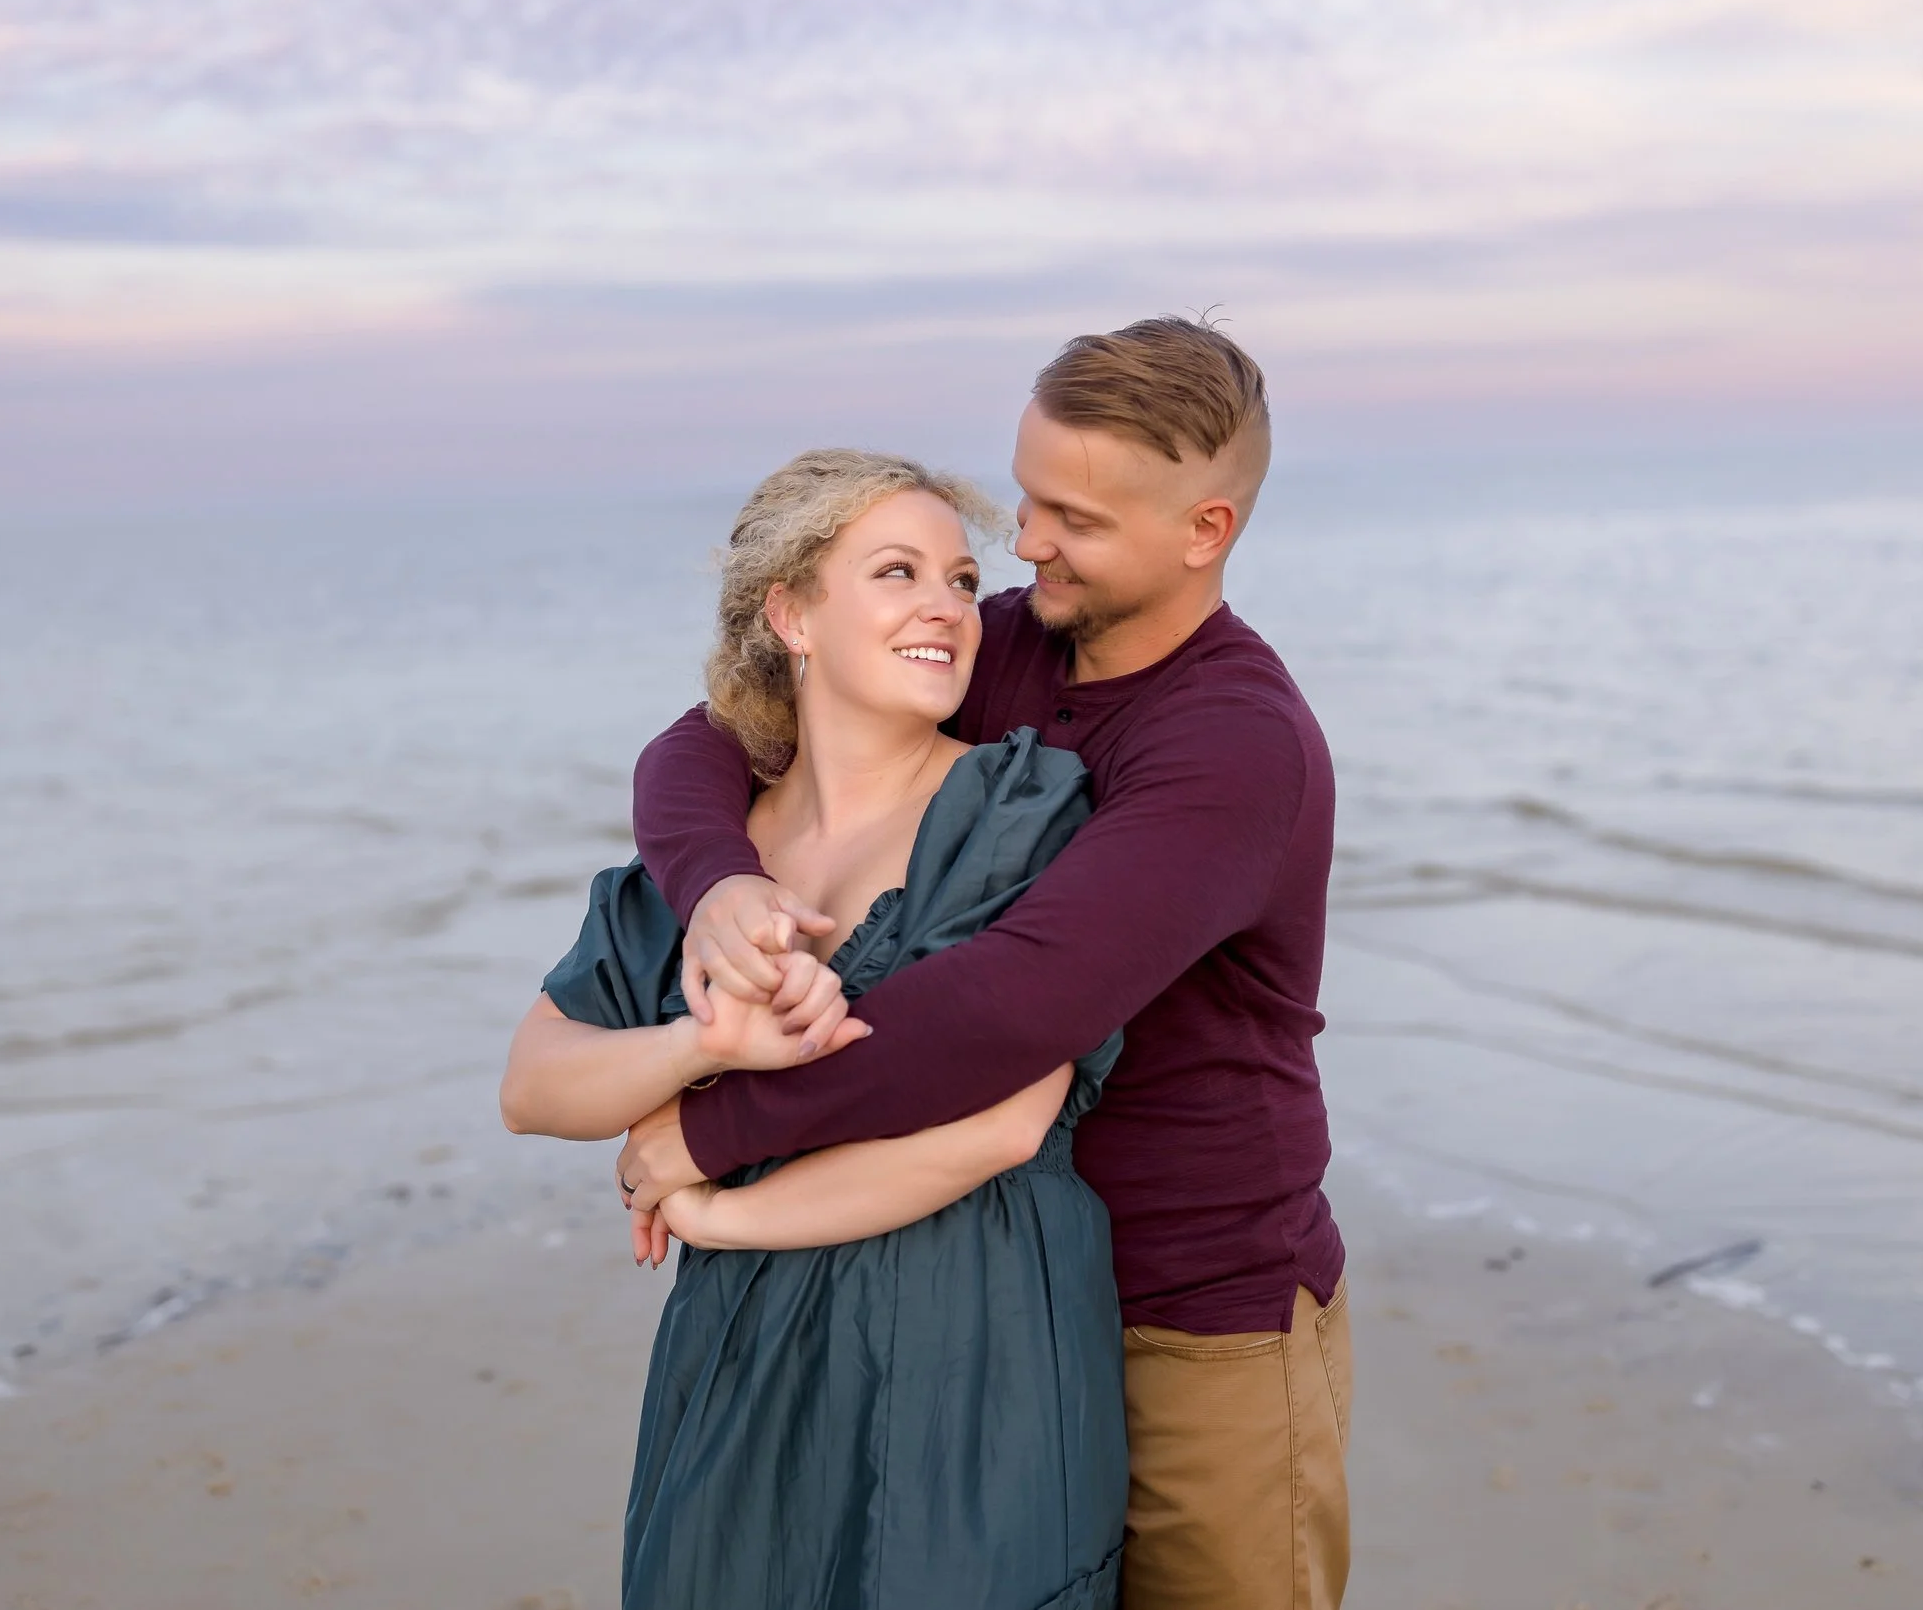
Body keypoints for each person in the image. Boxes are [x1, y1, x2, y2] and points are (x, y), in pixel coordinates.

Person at [617, 317, 1352, 1610]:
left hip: (1190, 1313)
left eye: (1073, 516)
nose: (1025, 542)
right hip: (990, 1287)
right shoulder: (996, 643)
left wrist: (713, 1125)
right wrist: (718, 878)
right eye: (1025, 494)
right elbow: (712, 734)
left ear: (1206, 528)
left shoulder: (1235, 743)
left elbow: (1011, 1004)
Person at [499, 450, 1127, 1610]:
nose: (949, 605)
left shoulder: (1023, 811)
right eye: (897, 571)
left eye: (958, 575)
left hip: (972, 1345)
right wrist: (704, 1048)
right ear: (789, 612)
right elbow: (535, 1084)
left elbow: (1001, 1125)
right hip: (740, 1362)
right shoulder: (709, 862)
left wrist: (715, 1209)